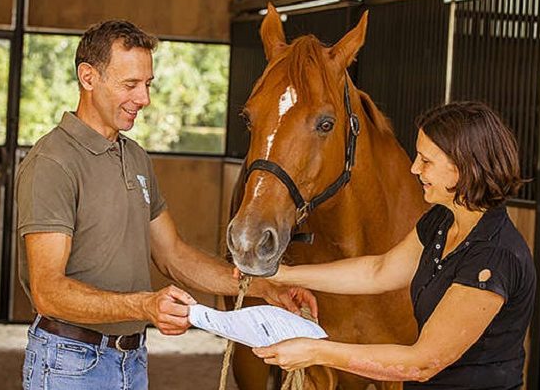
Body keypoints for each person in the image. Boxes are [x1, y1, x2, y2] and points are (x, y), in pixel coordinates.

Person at [16, 20, 316, 390]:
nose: (144, 99)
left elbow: (174, 255)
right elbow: (49, 291)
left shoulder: (136, 157)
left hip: (131, 359)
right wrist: (144, 306)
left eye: (147, 84)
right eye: (130, 85)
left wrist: (262, 289)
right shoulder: (53, 162)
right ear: (88, 77)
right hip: (69, 363)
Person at [251, 101, 536, 389]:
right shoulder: (442, 220)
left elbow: (423, 362)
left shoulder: (493, 257)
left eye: (426, 161)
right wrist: (279, 274)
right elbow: (379, 270)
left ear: (465, 167)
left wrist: (314, 351)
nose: (414, 168)